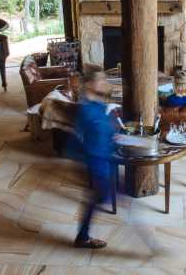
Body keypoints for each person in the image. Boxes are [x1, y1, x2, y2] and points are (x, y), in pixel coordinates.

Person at [73, 71, 115, 249]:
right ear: (90, 84)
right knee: (104, 197)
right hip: (97, 162)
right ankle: (152, 247)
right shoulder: (86, 109)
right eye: (101, 79)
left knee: (98, 198)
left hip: (106, 158)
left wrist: (115, 136)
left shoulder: (97, 105)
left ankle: (82, 237)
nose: (105, 82)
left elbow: (104, 129)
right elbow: (77, 139)